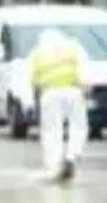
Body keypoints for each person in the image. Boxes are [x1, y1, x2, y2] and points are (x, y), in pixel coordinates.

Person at [26, 28, 88, 181]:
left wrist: (31, 101)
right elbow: (85, 69)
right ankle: (72, 156)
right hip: (73, 91)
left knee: (52, 131)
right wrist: (86, 86)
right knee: (78, 126)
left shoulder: (37, 53)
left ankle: (54, 165)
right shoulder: (73, 47)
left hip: (49, 94)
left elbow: (31, 80)